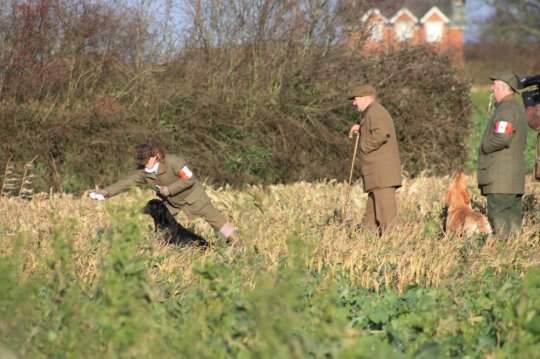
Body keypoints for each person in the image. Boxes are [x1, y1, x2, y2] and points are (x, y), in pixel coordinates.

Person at [90, 142, 236, 241]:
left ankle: (238, 246)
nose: (144, 165)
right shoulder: (144, 171)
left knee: (217, 221)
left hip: (193, 197)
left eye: (147, 161)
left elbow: (189, 179)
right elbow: (126, 182)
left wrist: (170, 189)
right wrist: (106, 192)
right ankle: (161, 248)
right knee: (162, 225)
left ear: (155, 156)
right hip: (171, 203)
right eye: (142, 162)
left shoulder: (175, 162)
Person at [477, 70, 527, 237]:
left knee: (499, 223)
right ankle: (515, 257)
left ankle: (504, 256)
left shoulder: (505, 110)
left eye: (495, 85)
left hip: (501, 179)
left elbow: (502, 138)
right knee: (513, 223)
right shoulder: (517, 108)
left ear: (505, 88)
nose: (492, 88)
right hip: (512, 179)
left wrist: (484, 146)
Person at [348, 85, 402, 235]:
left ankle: (390, 246)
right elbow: (376, 131)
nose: (353, 103)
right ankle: (367, 244)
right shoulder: (372, 112)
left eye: (356, 99)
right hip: (377, 176)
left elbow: (381, 134)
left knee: (386, 218)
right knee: (370, 219)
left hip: (382, 175)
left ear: (366, 98)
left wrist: (363, 145)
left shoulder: (375, 112)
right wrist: (361, 129)